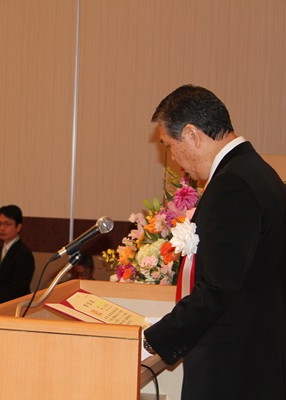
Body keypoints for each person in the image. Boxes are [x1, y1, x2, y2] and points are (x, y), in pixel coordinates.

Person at [143, 85, 286, 399]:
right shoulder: (257, 172)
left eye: (169, 145)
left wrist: (152, 339)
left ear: (192, 134)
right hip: (256, 358)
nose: (173, 159)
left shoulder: (232, 183)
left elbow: (218, 288)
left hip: (233, 369)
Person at [0, 205, 35, 307]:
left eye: (7, 224)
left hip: (12, 308)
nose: (2, 228)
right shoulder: (0, 250)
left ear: (18, 227)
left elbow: (17, 291)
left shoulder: (24, 254)